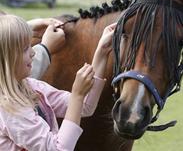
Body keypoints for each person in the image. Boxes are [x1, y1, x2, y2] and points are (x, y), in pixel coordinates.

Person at [0, 14, 117, 151]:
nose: (33, 52)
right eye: (25, 48)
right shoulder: (10, 110)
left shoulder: (32, 87)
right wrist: (77, 95)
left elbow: (85, 106)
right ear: (7, 58)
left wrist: (102, 52)